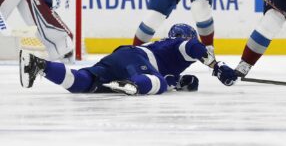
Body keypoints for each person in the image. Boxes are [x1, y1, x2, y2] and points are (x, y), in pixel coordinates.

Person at [20, 23, 238, 95]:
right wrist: (217, 66)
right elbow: (193, 47)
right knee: (157, 84)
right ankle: (132, 84)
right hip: (137, 60)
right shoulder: (178, 45)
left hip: (119, 57)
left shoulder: (164, 50)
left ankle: (40, 65)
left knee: (83, 82)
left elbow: (168, 75)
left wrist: (180, 82)